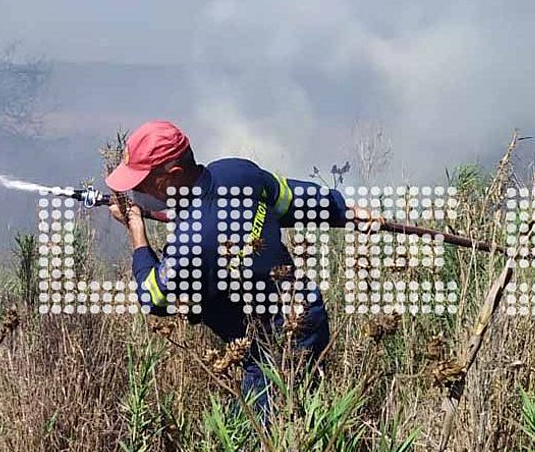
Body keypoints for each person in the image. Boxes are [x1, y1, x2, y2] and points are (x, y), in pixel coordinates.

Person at [105, 120, 360, 415]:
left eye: (142, 182)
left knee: (255, 447)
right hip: (305, 311)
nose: (136, 189)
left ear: (173, 175)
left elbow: (153, 297)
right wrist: (345, 210)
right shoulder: (236, 172)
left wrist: (136, 230)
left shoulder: (190, 245)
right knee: (293, 415)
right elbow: (290, 198)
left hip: (271, 345)